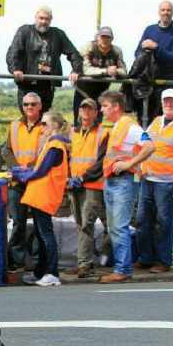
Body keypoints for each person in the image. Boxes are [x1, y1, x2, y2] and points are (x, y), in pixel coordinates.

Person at [98, 90, 156, 284]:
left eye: (105, 106)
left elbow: (149, 146)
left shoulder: (129, 126)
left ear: (116, 107)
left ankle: (122, 269)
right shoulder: (118, 126)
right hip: (114, 180)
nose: (102, 110)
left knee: (119, 227)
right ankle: (121, 268)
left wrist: (129, 164)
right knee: (115, 227)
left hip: (123, 181)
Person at [138, 88, 173, 273]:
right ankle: (146, 257)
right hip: (148, 178)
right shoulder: (156, 121)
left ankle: (163, 260)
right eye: (166, 101)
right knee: (142, 220)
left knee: (164, 221)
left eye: (172, 101)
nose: (169, 104)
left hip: (168, 181)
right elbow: (144, 140)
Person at [12, 111, 70, 287]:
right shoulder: (51, 144)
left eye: (45, 124)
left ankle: (52, 272)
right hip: (40, 195)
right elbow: (38, 168)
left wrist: (19, 175)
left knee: (46, 235)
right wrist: (20, 172)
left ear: (54, 126)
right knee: (41, 233)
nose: (42, 127)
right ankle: (41, 272)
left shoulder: (56, 146)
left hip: (45, 195)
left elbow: (40, 171)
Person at [6, 6, 82, 111]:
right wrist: (15, 69)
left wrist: (76, 70)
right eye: (41, 18)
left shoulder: (58, 34)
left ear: (51, 20)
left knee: (44, 117)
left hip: (47, 84)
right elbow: (14, 52)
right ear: (35, 18)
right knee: (28, 114)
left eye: (47, 19)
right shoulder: (25, 31)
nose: (43, 21)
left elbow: (73, 53)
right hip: (27, 82)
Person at [67, 98, 110, 278]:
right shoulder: (72, 133)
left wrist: (83, 177)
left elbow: (101, 162)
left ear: (95, 113)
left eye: (89, 109)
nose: (85, 112)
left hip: (93, 184)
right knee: (79, 224)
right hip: (74, 184)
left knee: (87, 224)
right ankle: (87, 260)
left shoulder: (103, 133)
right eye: (83, 109)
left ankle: (85, 263)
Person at [3, 92, 45, 271]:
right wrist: (17, 169)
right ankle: (16, 259)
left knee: (39, 223)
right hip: (17, 181)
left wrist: (30, 170)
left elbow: (47, 152)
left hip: (37, 180)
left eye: (33, 104)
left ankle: (36, 260)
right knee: (18, 222)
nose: (29, 107)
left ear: (40, 106)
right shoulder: (14, 126)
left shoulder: (46, 126)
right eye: (26, 104)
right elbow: (6, 150)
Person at [133, 1, 173, 123]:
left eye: (168, 10)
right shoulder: (149, 30)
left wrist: (156, 47)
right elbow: (137, 53)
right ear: (159, 12)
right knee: (144, 117)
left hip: (167, 81)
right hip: (147, 80)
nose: (165, 13)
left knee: (164, 117)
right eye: (163, 10)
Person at [74, 26, 125, 124]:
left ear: (112, 39)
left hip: (101, 93)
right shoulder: (88, 47)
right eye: (102, 37)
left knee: (97, 123)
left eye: (108, 37)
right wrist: (106, 71)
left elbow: (124, 71)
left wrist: (116, 71)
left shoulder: (116, 51)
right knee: (80, 122)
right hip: (83, 91)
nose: (105, 40)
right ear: (97, 37)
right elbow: (85, 69)